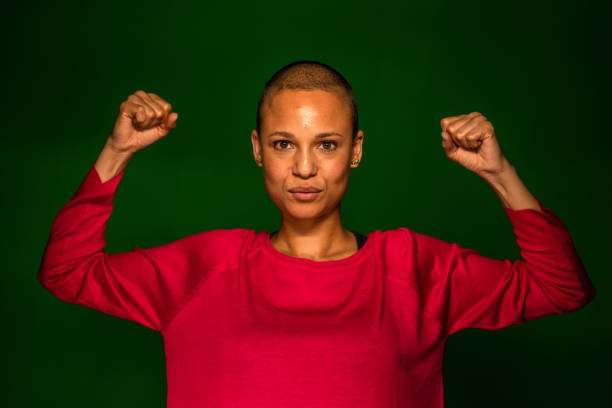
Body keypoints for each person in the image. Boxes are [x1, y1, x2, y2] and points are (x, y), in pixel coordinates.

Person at [38, 60, 595, 408]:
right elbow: (66, 273)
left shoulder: (413, 267)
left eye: (326, 144)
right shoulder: (205, 265)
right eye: (284, 144)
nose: (304, 168)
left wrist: (500, 174)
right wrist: (117, 152)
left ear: (355, 151)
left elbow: (562, 288)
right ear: (258, 150)